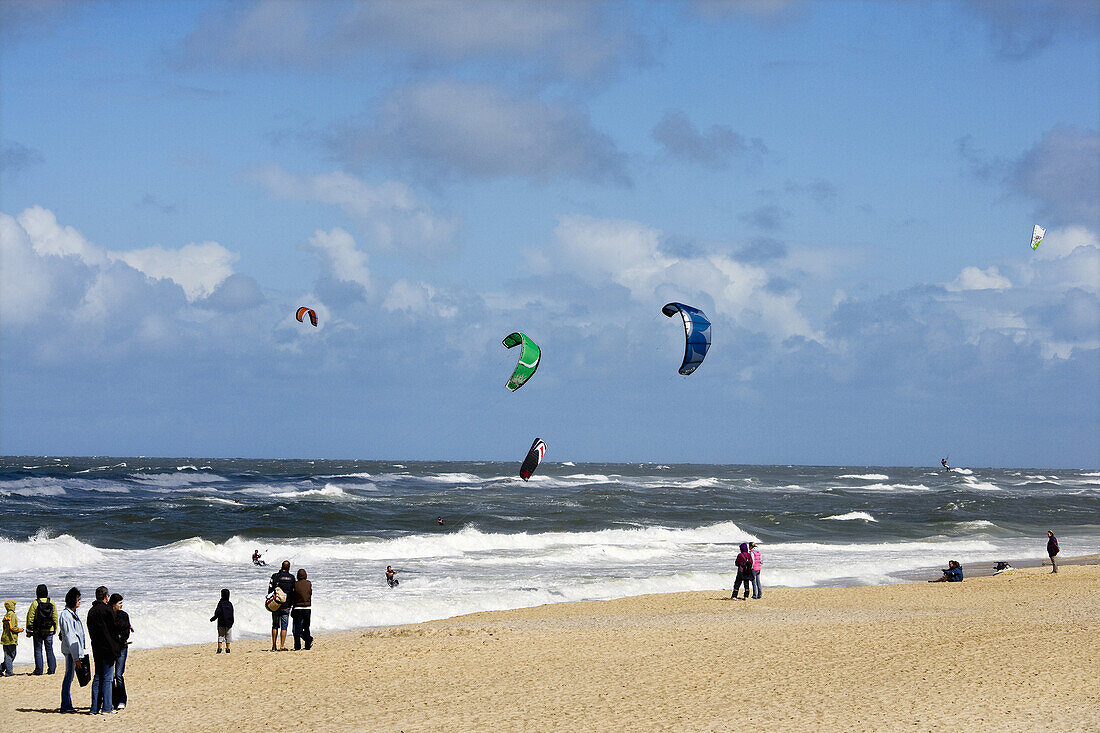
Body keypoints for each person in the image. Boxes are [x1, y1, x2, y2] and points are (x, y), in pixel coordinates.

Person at [86, 585, 120, 714]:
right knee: (107, 678)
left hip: (96, 647)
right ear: (106, 597)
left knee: (97, 677)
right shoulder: (107, 610)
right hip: (108, 648)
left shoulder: (91, 611)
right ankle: (107, 707)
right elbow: (113, 628)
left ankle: (94, 708)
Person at [57, 588, 86, 713]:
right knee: (68, 677)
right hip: (70, 651)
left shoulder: (70, 614)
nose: (79, 602)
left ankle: (67, 704)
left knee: (69, 676)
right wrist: (76, 657)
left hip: (71, 650)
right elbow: (70, 636)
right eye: (78, 599)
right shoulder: (66, 615)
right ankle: (65, 705)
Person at [26, 583, 59, 675]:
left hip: (38, 630)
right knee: (49, 649)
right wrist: (55, 628)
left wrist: (29, 628)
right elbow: (55, 616)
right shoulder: (51, 602)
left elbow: (30, 617)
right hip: (49, 629)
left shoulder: (35, 603)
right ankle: (52, 669)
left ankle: (39, 670)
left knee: (38, 649)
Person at [110, 594, 132, 711]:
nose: (121, 605)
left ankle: (122, 700)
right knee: (111, 676)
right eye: (119, 603)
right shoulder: (109, 615)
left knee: (118, 675)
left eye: (122, 603)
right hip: (112, 648)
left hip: (122, 647)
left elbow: (126, 632)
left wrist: (119, 639)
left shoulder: (124, 615)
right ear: (113, 604)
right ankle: (113, 700)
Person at [268, 561, 295, 651]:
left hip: (276, 604)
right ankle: (282, 646)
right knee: (284, 626)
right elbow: (293, 592)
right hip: (286, 605)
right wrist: (292, 603)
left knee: (275, 625)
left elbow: (270, 590)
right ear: (289, 567)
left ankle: (274, 645)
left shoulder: (275, 576)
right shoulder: (291, 578)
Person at [291, 569, 313, 651]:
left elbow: (293, 595)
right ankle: (307, 644)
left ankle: (297, 646)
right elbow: (310, 593)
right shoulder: (308, 583)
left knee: (297, 628)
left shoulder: (295, 584)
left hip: (297, 608)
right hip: (307, 607)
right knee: (306, 627)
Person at [2, 599, 24, 676]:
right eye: (14, 605)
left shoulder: (6, 615)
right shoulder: (12, 615)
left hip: (4, 638)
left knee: (7, 654)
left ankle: (1, 668)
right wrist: (20, 630)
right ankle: (8, 671)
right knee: (11, 655)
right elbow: (13, 627)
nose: (15, 607)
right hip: (11, 638)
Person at [210, 589, 234, 654]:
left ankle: (219, 648)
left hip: (221, 622)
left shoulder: (220, 603)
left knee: (221, 635)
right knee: (228, 636)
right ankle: (228, 649)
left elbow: (217, 612)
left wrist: (213, 618)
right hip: (229, 622)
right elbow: (232, 613)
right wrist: (232, 622)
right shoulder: (230, 604)